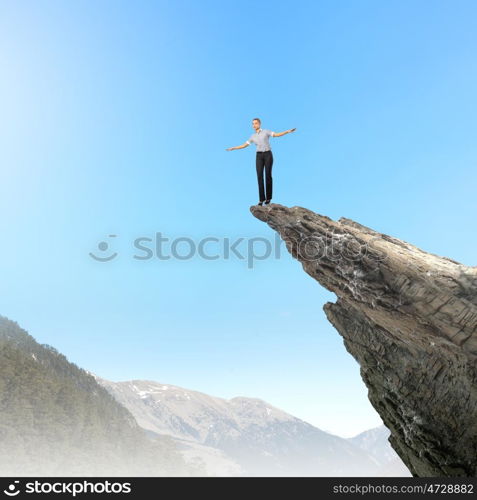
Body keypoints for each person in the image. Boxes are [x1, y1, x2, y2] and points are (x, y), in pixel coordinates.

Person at [226, 118, 296, 205]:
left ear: (259, 124)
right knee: (259, 177)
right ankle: (261, 199)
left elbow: (276, 134)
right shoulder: (252, 136)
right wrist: (234, 148)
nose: (254, 125)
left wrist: (287, 131)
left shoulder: (266, 132)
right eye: (252, 124)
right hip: (259, 156)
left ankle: (268, 198)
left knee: (268, 176)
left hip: (268, 155)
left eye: (255, 123)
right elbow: (244, 145)